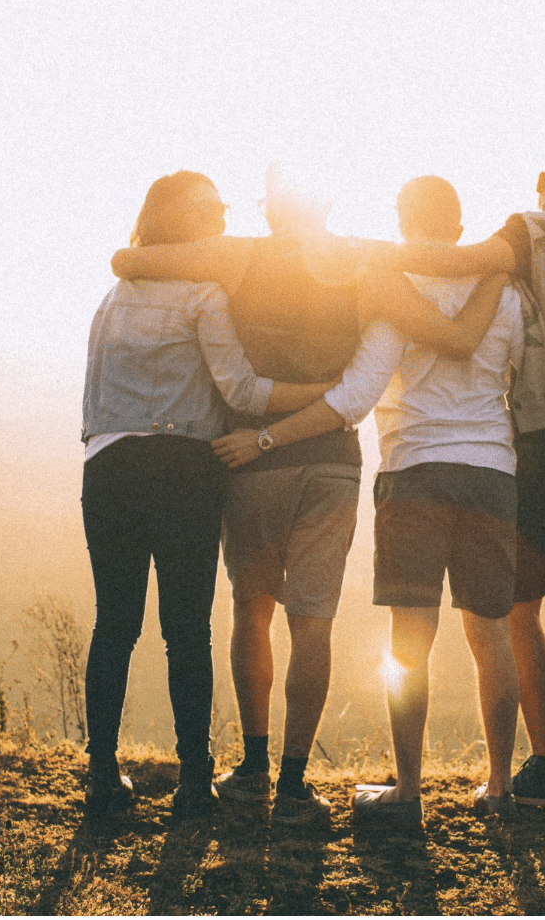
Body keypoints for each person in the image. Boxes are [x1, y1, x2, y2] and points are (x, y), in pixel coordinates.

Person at [213, 175, 545, 826]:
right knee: (491, 637)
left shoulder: (394, 290)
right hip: (491, 479)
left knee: (410, 642)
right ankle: (501, 787)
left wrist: (266, 437)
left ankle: (408, 792)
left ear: (402, 221)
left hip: (414, 475)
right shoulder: (505, 294)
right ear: (458, 228)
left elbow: (353, 398)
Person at [110, 163, 505, 826]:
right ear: (327, 203)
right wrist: (498, 266)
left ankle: (254, 766)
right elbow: (451, 327)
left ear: (270, 210)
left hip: (251, 458)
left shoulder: (237, 258)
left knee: (252, 609)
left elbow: (129, 259)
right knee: (312, 622)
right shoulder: (364, 265)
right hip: (331, 463)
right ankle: (294, 786)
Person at [365, 142, 545, 809]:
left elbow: (461, 263)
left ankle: (544, 763)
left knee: (515, 609)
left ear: (542, 182)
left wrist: (364, 257)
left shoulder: (530, 230)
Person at [78, 171, 336, 819]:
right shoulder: (204, 295)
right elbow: (243, 393)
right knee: (185, 630)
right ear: (180, 221)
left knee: (115, 624)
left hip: (107, 466)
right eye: (209, 209)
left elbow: (94, 398)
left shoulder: (113, 297)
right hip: (184, 470)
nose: (222, 215)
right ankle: (194, 782)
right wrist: (324, 395)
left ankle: (103, 776)